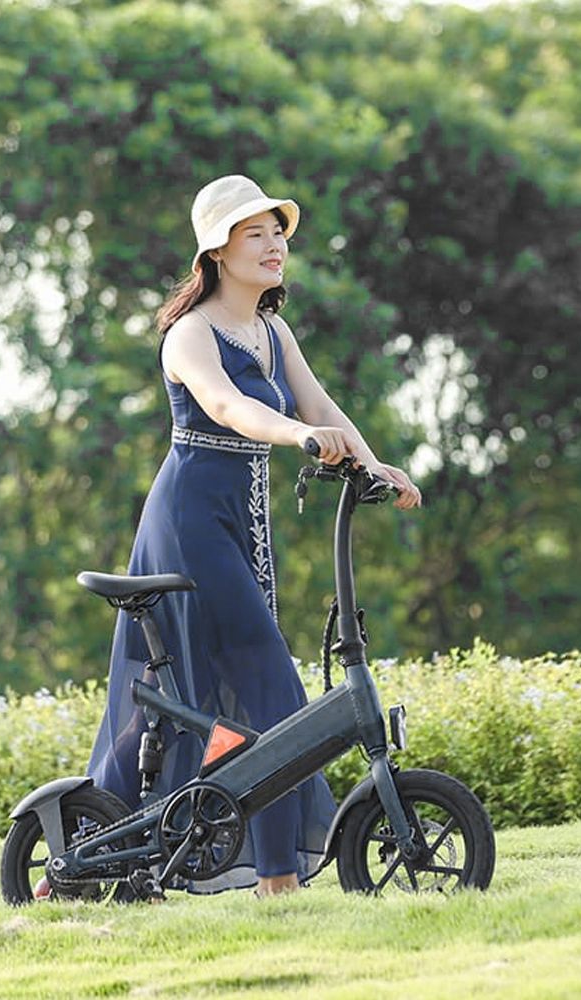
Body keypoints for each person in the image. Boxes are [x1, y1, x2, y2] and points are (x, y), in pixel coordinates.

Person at [85, 174, 423, 898]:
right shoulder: (190, 333)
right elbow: (227, 405)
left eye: (277, 233)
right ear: (217, 251)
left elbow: (319, 401)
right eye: (254, 234)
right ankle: (277, 877)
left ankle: (85, 848)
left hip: (243, 523)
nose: (274, 246)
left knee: (173, 700)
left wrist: (373, 466)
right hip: (188, 523)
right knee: (268, 685)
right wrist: (297, 435)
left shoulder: (272, 330)